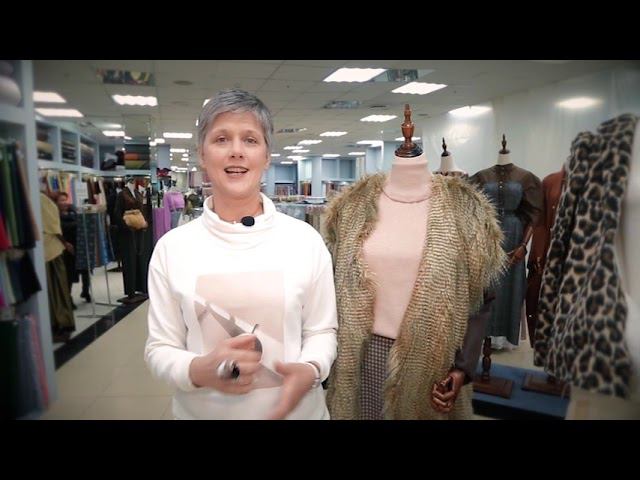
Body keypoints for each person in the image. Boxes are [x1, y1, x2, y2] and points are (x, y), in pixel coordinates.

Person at [145, 89, 338, 420]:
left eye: (250, 140)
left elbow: (321, 331)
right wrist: (198, 370)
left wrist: (310, 369)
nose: (236, 151)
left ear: (266, 156)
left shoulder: (305, 241)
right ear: (202, 155)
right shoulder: (172, 248)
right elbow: (160, 348)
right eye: (221, 139)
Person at [325, 105, 506, 419]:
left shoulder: (466, 209)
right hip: (359, 358)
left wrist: (462, 367)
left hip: (433, 361)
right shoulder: (351, 207)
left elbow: (481, 298)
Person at [40, 191, 75, 342]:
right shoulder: (41, 199)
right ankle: (58, 325)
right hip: (48, 251)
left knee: (57, 290)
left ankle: (63, 325)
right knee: (55, 290)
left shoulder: (41, 200)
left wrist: (64, 243)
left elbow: (54, 227)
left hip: (51, 251)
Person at [55, 191, 90, 306]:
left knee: (85, 270)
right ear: (56, 202)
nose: (64, 202)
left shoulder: (73, 211)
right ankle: (68, 298)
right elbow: (59, 230)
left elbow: (81, 222)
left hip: (79, 244)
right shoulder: (55, 215)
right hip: (66, 247)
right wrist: (66, 244)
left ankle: (85, 291)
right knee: (69, 274)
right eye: (61, 200)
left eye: (65, 199)